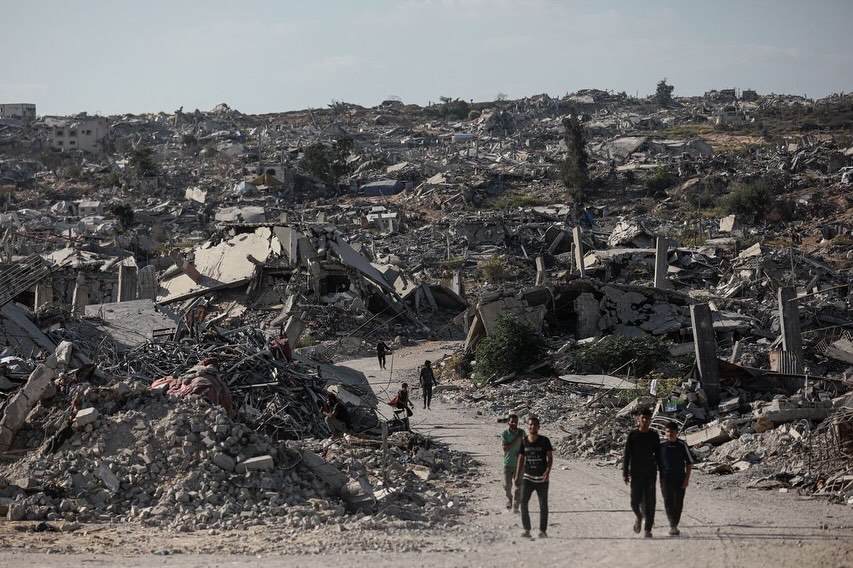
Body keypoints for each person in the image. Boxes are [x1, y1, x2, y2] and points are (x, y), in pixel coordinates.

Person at [623, 407, 662, 538]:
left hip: (650, 474)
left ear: (650, 420)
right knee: (634, 502)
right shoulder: (632, 435)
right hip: (635, 473)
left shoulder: (654, 436)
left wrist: (662, 474)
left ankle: (648, 529)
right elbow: (627, 455)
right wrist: (625, 472)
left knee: (650, 502)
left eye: (648, 418)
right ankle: (639, 516)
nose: (645, 421)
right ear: (638, 419)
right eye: (643, 418)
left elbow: (659, 456)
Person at [515, 415, 553, 539]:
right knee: (523, 502)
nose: (532, 427)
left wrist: (547, 472)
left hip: (542, 478)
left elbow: (550, 457)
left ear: (538, 427)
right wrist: (517, 475)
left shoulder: (544, 440)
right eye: (530, 424)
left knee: (543, 505)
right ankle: (527, 529)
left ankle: (543, 530)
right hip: (528, 477)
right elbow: (521, 458)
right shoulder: (524, 440)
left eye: (535, 425)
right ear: (528, 426)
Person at [659, 421, 693, 536]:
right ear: (665, 432)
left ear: (677, 432)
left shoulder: (682, 445)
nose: (670, 434)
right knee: (668, 502)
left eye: (672, 432)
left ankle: (675, 523)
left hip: (680, 479)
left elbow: (689, 463)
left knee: (678, 502)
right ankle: (672, 525)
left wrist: (686, 480)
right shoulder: (661, 446)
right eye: (668, 431)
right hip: (665, 480)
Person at [501, 413, 525, 512]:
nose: (514, 423)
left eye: (516, 421)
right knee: (507, 485)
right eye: (512, 421)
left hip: (519, 463)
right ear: (508, 422)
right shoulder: (504, 434)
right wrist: (516, 440)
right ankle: (509, 498)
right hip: (508, 463)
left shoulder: (522, 432)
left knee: (518, 485)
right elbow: (505, 448)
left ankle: (516, 504)